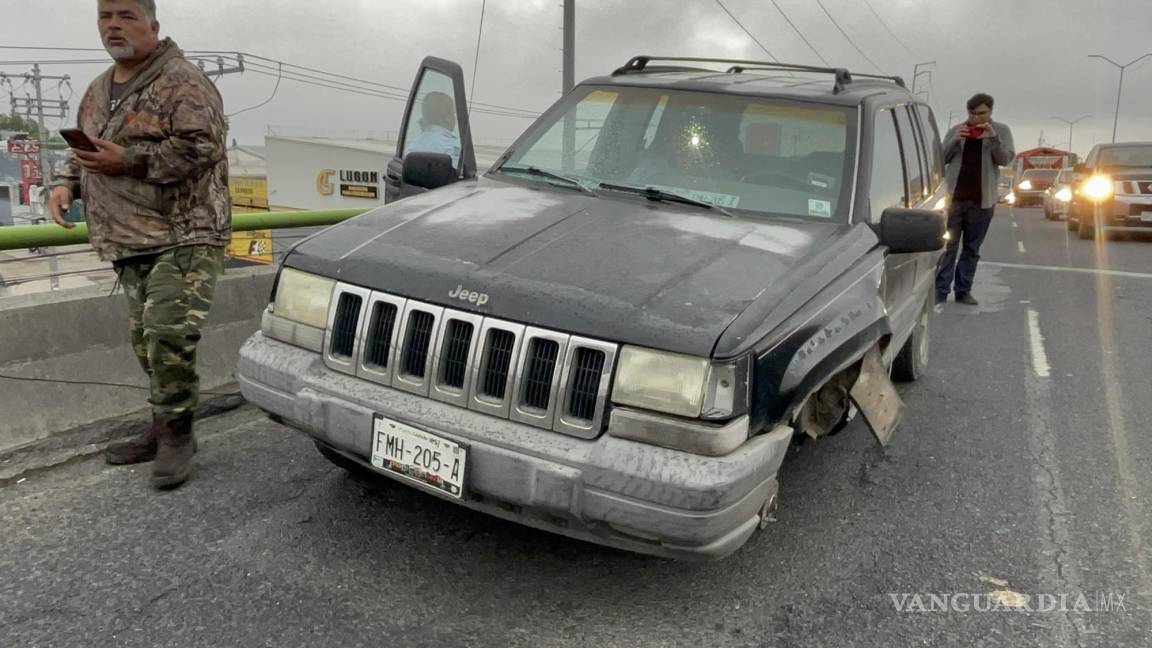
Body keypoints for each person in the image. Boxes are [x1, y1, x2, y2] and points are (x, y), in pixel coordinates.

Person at [48, 0, 229, 489]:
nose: (113, 25)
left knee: (168, 335)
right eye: (105, 17)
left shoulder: (181, 79)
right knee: (146, 344)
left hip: (184, 234)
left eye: (126, 15)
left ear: (153, 25)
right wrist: (67, 184)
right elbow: (85, 150)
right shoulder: (96, 89)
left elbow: (202, 147)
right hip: (129, 240)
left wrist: (127, 160)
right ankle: (161, 425)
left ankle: (177, 434)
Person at [935, 93, 1015, 306]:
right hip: (954, 200)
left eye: (982, 113)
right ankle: (940, 291)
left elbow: (1005, 159)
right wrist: (956, 140)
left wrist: (992, 137)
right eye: (973, 114)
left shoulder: (1001, 131)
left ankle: (963, 290)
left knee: (971, 249)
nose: (977, 118)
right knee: (947, 246)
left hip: (982, 202)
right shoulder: (956, 130)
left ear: (990, 112)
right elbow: (941, 159)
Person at [405, 91, 462, 167]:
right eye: (453, 113)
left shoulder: (412, 147)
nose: (455, 118)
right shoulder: (450, 147)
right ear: (447, 117)